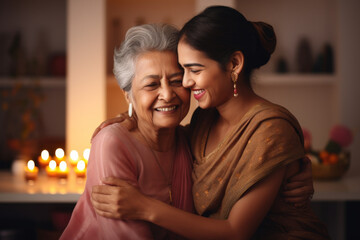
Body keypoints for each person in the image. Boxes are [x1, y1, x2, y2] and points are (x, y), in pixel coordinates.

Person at [90, 6, 330, 240]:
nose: (185, 83)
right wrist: (127, 120)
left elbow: (236, 232)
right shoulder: (203, 122)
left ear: (234, 64)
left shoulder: (270, 129)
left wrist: (145, 207)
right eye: (182, 71)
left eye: (193, 70)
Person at [60, 24, 194, 240]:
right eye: (152, 85)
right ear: (128, 95)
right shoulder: (111, 143)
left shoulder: (190, 140)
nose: (168, 95)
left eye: (177, 81)